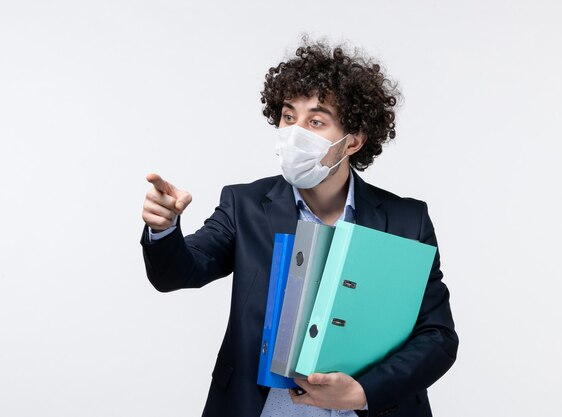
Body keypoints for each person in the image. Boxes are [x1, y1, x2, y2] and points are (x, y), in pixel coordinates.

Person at [141, 39, 458, 417]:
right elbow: (180, 270)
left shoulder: (408, 220)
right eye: (289, 117)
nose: (295, 132)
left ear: (353, 140)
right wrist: (164, 228)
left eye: (316, 121)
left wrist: (362, 392)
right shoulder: (244, 205)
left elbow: (437, 337)